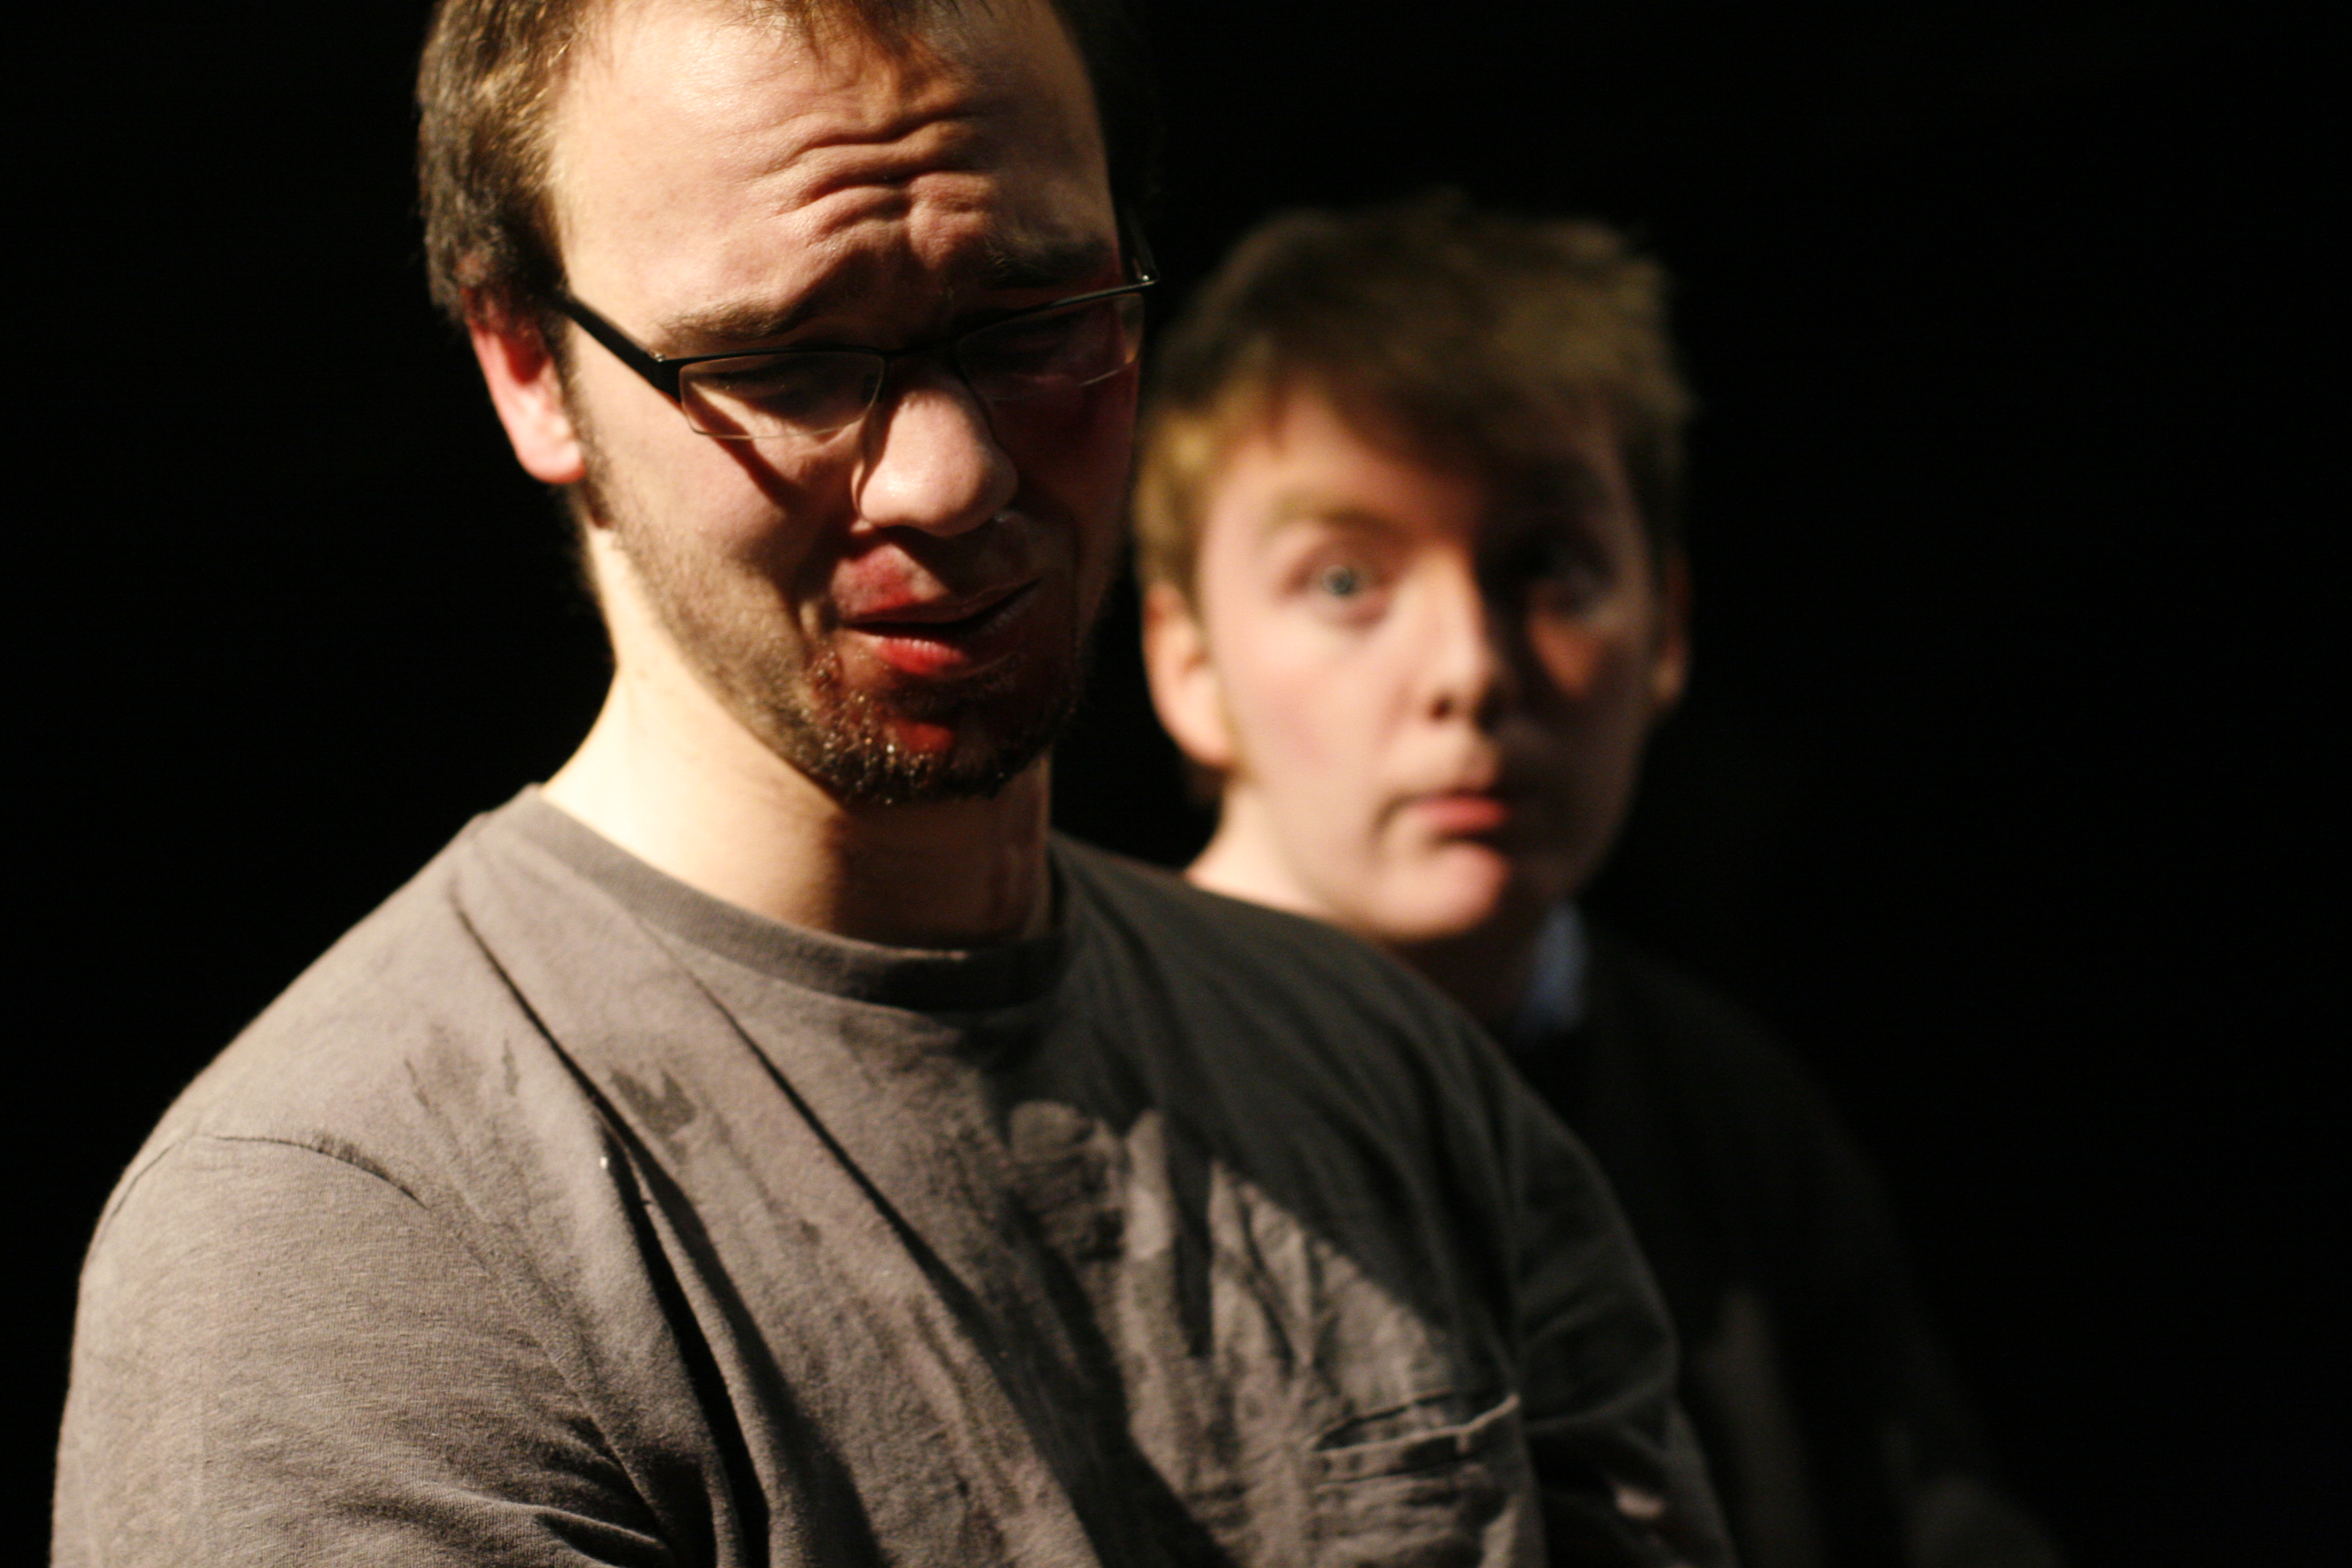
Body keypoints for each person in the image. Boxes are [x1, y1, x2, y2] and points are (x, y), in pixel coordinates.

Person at [52, 4, 1734, 1565]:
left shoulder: (1399, 1083)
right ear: (527, 367)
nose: (949, 471)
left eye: (1037, 321)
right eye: (789, 363)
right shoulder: (354, 1232)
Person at [1136, 195, 2065, 1568]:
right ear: (1189, 663)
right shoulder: (1095, 1095)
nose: (1470, 669)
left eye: (1548, 567)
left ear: (1668, 627)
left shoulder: (1731, 1111)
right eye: (1344, 580)